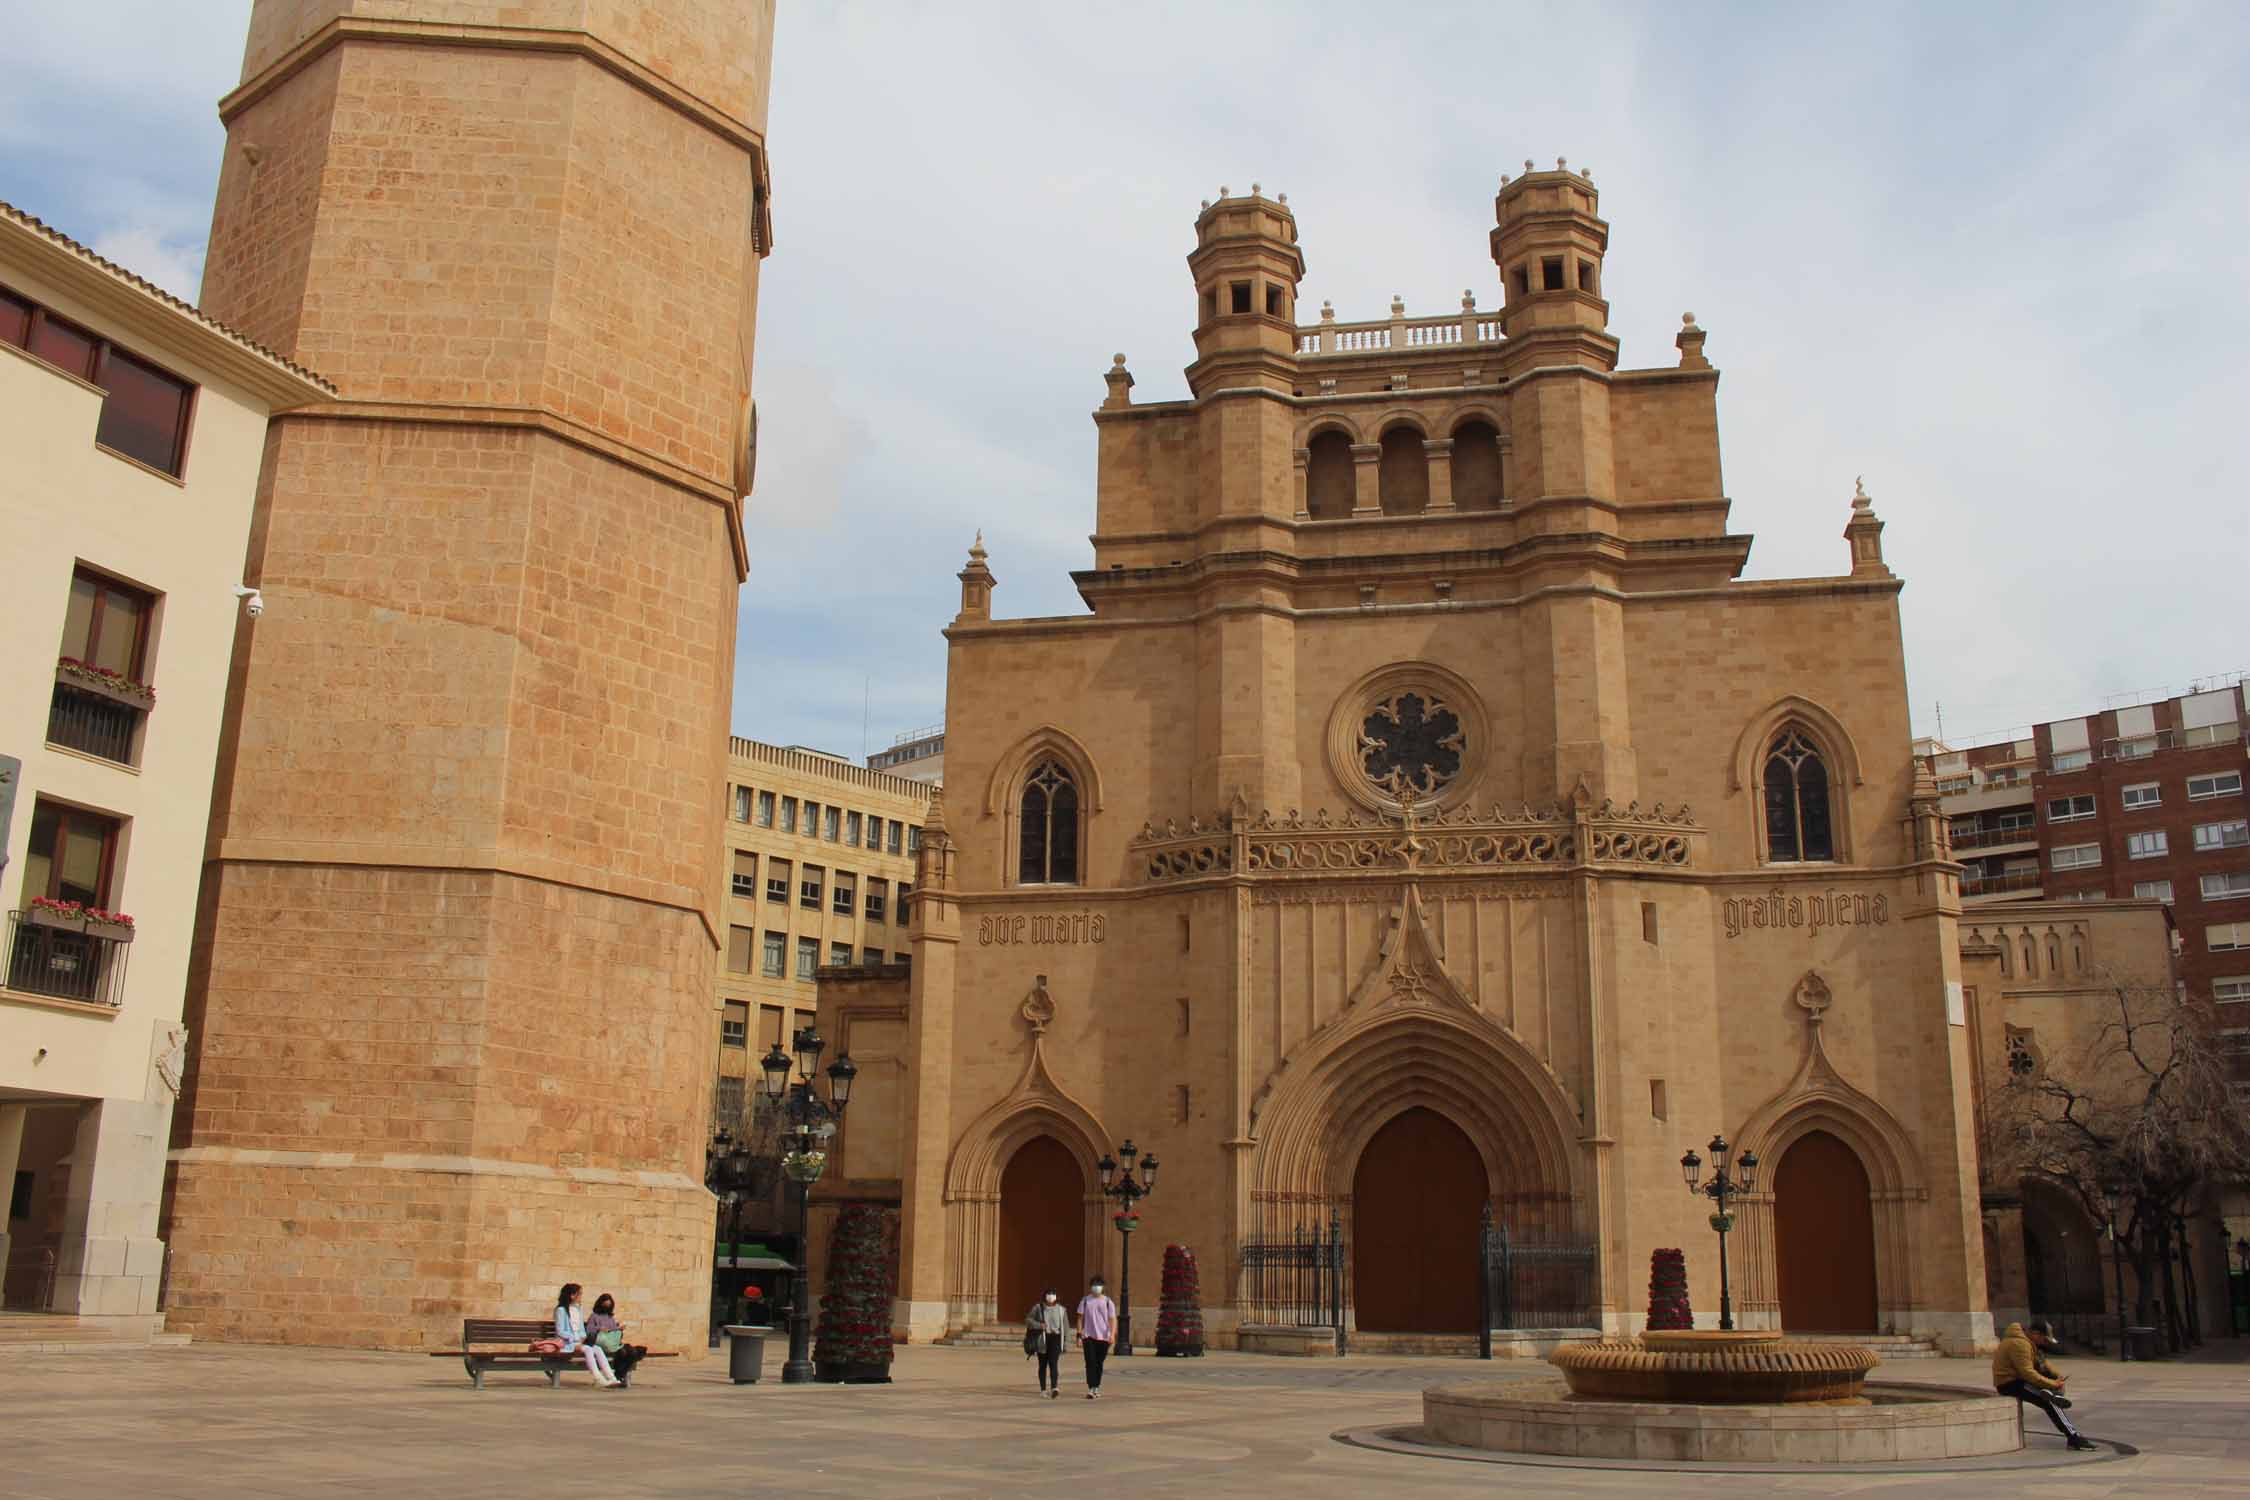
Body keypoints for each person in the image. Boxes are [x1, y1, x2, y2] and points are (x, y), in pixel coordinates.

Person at [1992, 1319, 2093, 1450]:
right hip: (2009, 1383)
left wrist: (2057, 1377)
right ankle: (2074, 1437)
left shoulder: (2028, 1343)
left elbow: (2043, 1364)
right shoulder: (2019, 1344)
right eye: (2045, 1339)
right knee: (2049, 1401)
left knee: (2049, 1395)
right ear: (2035, 1334)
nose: (2045, 1343)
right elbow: (2028, 1372)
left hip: (2019, 1380)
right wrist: (2052, 1384)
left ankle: (2055, 1397)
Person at [556, 1282, 622, 1389]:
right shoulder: (561, 1310)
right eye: (580, 1294)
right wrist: (576, 1338)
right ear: (572, 1295)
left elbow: (581, 1328)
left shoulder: (578, 1309)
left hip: (580, 1342)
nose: (581, 1297)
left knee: (597, 1349)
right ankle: (598, 1378)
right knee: (588, 1349)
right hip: (567, 1343)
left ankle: (611, 1377)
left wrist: (583, 1337)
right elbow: (560, 1331)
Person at [586, 1293, 646, 1386]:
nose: (607, 1308)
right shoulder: (594, 1316)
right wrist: (599, 1328)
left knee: (633, 1352)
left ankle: (619, 1375)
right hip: (602, 1343)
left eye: (609, 1305)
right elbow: (589, 1330)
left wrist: (619, 1328)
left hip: (613, 1343)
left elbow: (614, 1331)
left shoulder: (610, 1318)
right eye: (605, 1305)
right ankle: (619, 1376)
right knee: (623, 1352)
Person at [1075, 1275, 1117, 1400]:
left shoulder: (1108, 1302)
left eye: (1098, 1285)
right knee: (1090, 1362)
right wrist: (1078, 1335)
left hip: (1104, 1337)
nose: (1096, 1287)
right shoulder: (1085, 1301)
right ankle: (1091, 1388)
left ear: (1103, 1287)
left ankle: (1096, 1386)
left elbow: (1112, 1319)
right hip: (1088, 1336)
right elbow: (1079, 1318)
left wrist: (1112, 1334)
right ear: (1090, 1287)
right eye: (1094, 1285)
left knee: (1099, 1363)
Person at [1027, 1288, 1068, 1397]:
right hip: (1043, 1339)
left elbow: (1066, 1328)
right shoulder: (1038, 1308)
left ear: (1056, 1296)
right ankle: (1043, 1390)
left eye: (1053, 1294)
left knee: (1053, 1363)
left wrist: (1065, 1343)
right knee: (1042, 1365)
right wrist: (1039, 1325)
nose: (1051, 1296)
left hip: (1055, 1338)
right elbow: (1028, 1320)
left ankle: (1054, 1387)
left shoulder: (1061, 1310)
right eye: (1049, 1294)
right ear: (1045, 1296)